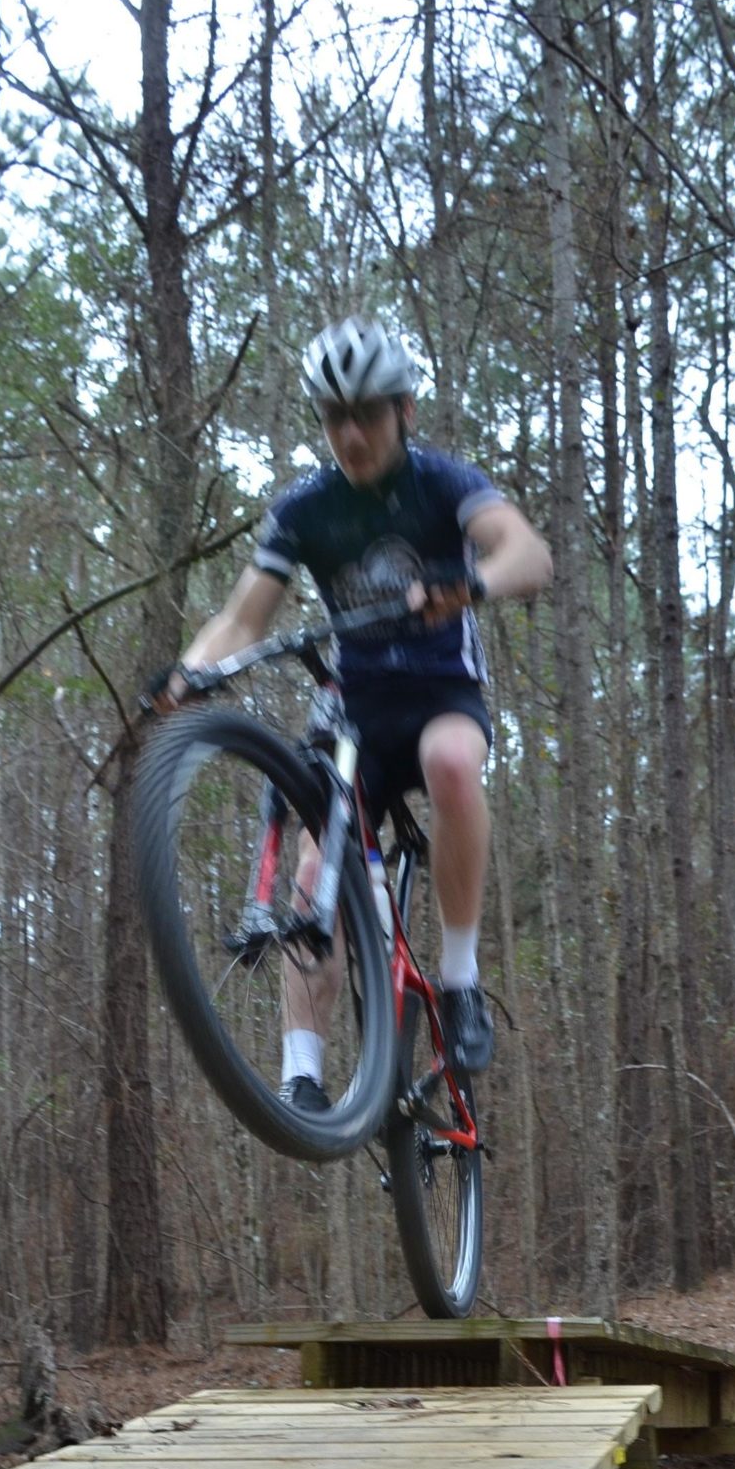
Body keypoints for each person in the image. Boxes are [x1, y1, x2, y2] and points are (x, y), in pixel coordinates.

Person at [163, 315, 552, 1109]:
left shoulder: (442, 483)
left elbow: (527, 552)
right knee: (315, 873)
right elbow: (242, 619)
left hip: (442, 693)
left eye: (367, 414)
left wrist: (471, 585)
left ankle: (461, 981)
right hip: (356, 716)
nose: (351, 433)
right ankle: (302, 1076)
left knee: (450, 763)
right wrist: (187, 674)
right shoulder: (307, 509)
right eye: (334, 417)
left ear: (403, 411)